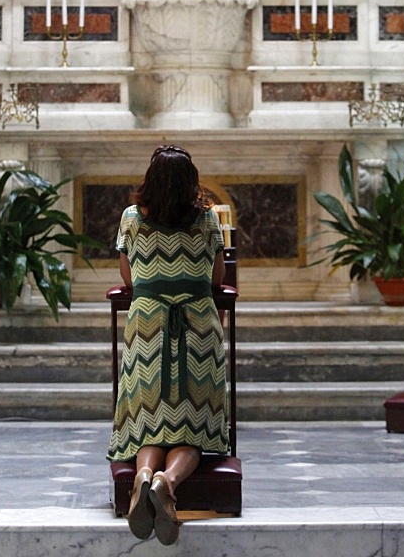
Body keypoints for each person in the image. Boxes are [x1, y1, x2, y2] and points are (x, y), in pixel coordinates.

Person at [107, 145, 229, 546]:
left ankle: (142, 476)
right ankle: (167, 482)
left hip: (148, 326)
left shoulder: (130, 218)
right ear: (191, 182)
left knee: (151, 427)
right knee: (190, 430)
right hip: (197, 326)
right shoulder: (208, 218)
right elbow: (216, 277)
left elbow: (128, 277)